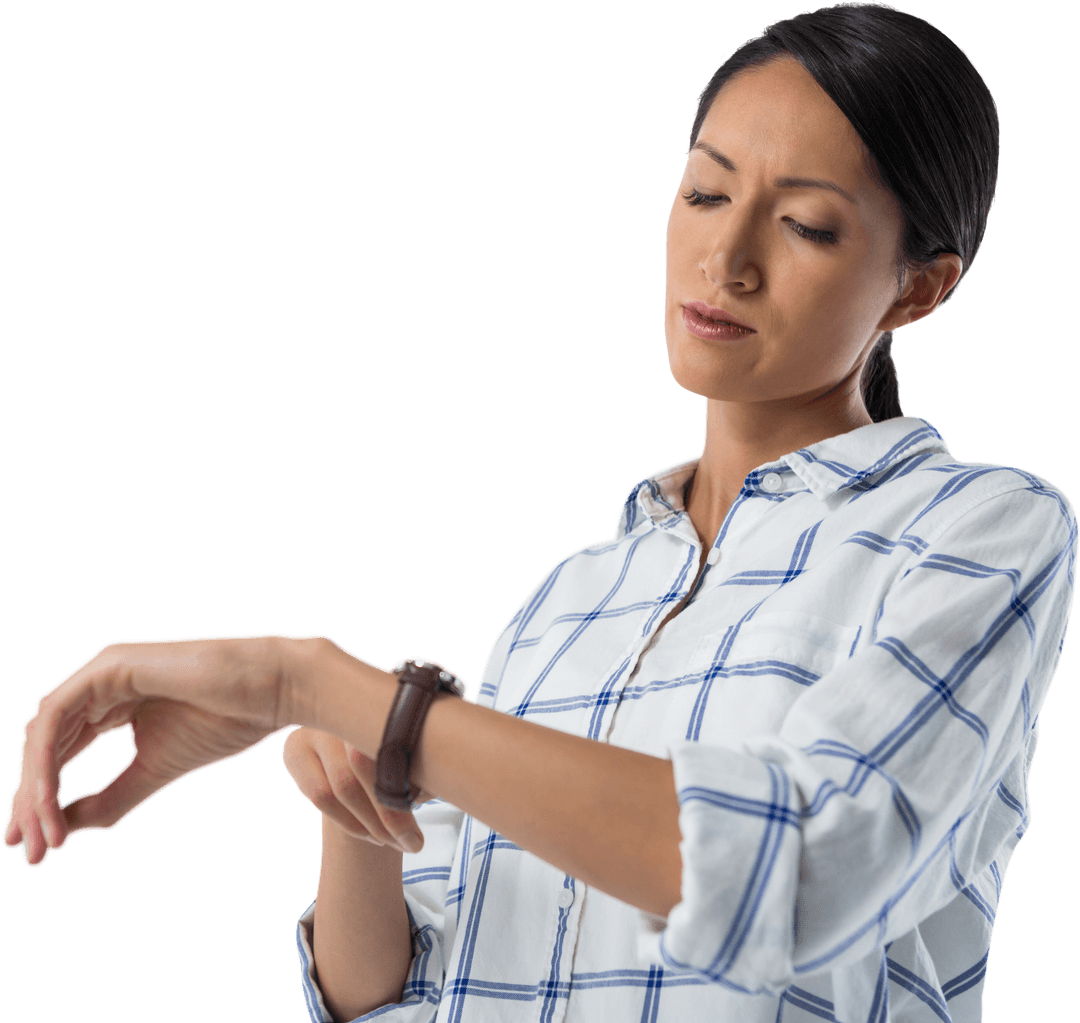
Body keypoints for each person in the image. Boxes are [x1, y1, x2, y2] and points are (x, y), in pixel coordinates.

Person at [2, 2, 1075, 1021]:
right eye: (705, 194)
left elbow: (796, 870)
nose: (726, 259)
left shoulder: (982, 529)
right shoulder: (575, 594)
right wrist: (359, 790)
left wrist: (330, 690)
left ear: (919, 289)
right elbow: (414, 994)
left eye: (803, 224)